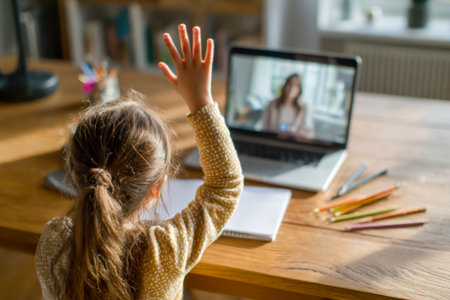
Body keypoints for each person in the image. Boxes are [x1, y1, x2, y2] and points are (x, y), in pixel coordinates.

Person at [35, 24, 243, 300]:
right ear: (155, 189)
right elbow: (225, 187)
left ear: (75, 174)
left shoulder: (55, 243)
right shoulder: (164, 250)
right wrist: (200, 100)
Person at [262, 74, 313, 138]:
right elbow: (264, 129)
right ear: (285, 86)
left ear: (299, 89)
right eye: (290, 84)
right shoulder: (272, 105)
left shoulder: (303, 109)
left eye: (296, 85)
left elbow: (309, 134)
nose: (292, 88)